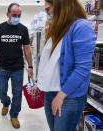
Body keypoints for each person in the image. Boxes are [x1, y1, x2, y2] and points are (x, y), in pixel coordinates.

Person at [32, 0, 96, 131]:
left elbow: (82, 69)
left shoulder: (81, 27)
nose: (47, 13)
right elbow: (50, 62)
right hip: (50, 92)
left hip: (68, 95)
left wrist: (61, 95)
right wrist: (40, 83)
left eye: (48, 9)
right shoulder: (58, 29)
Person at [0, 3, 33, 129]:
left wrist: (30, 66)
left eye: (19, 15)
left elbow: (27, 49)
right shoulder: (0, 28)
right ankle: (6, 102)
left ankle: (14, 115)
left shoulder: (23, 29)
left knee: (17, 93)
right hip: (2, 67)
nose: (16, 17)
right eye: (14, 15)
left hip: (17, 68)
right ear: (8, 14)